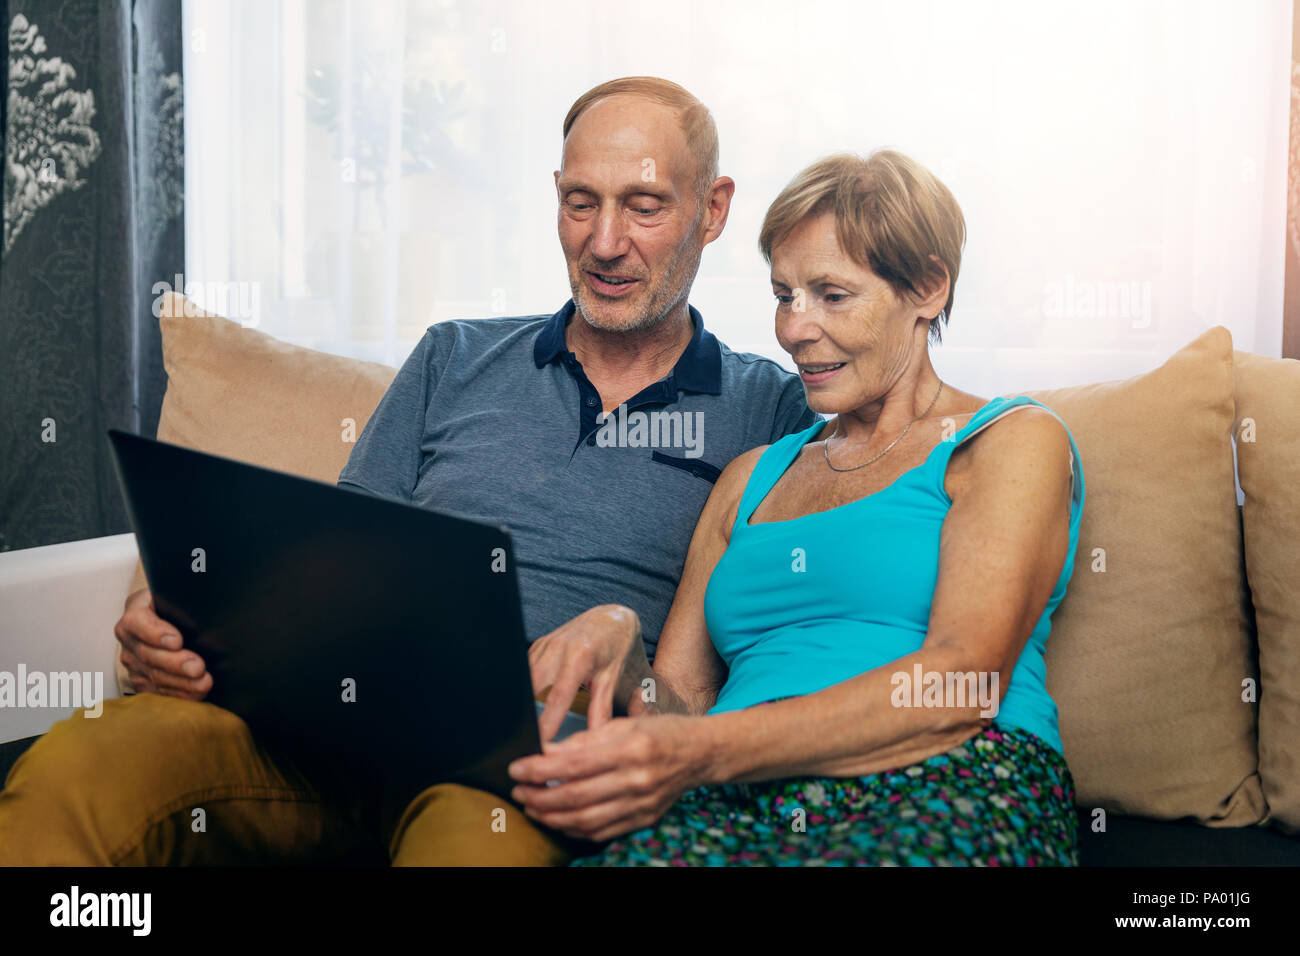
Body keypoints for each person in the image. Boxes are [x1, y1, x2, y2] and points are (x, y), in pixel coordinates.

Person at [0, 77, 816, 866]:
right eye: (580, 203)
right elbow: (335, 557)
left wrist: (626, 649)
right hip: (326, 719)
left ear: (711, 210)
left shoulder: (771, 413)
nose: (604, 244)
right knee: (86, 763)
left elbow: (725, 694)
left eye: (642, 207)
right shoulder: (453, 355)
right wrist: (181, 616)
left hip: (523, 760)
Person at [511, 150, 1086, 866]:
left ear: (929, 288)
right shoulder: (753, 477)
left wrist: (705, 750)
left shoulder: (1007, 440)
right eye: (785, 295)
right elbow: (684, 702)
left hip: (953, 771)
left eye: (832, 295)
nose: (794, 328)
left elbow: (957, 684)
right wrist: (627, 655)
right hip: (739, 793)